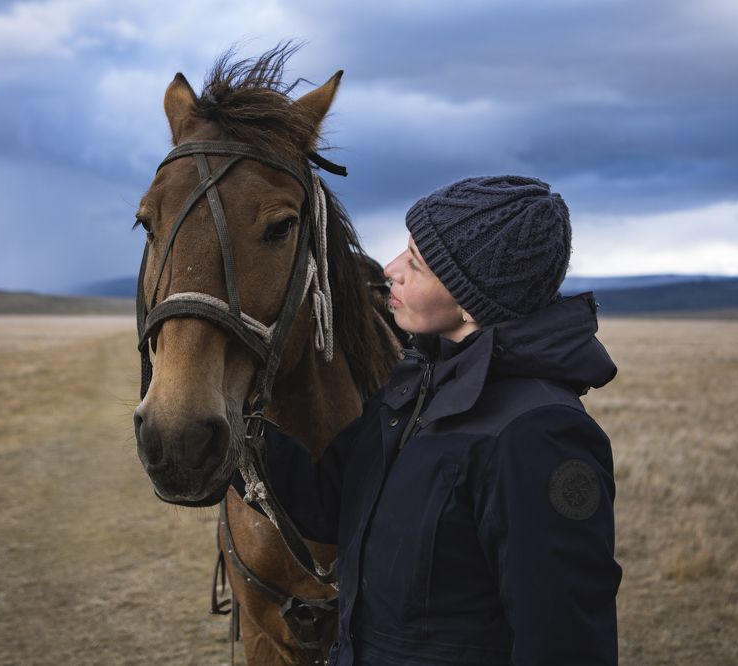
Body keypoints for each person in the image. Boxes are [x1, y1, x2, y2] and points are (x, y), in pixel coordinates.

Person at [240, 175, 621, 665]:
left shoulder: (539, 435)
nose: (391, 269)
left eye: (416, 261)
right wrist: (239, 429)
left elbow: (564, 642)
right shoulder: (416, 387)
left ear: (469, 297)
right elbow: (329, 502)